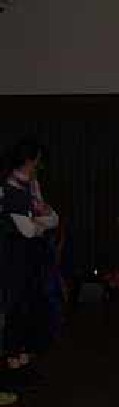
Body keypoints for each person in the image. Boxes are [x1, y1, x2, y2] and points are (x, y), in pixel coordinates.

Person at [0, 140, 58, 371]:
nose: (38, 166)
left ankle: (25, 351)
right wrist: (40, 223)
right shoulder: (8, 189)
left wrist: (41, 221)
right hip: (13, 255)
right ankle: (12, 353)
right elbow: (27, 229)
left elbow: (52, 218)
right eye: (37, 161)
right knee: (15, 302)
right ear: (27, 161)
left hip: (34, 254)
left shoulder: (33, 186)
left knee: (32, 301)